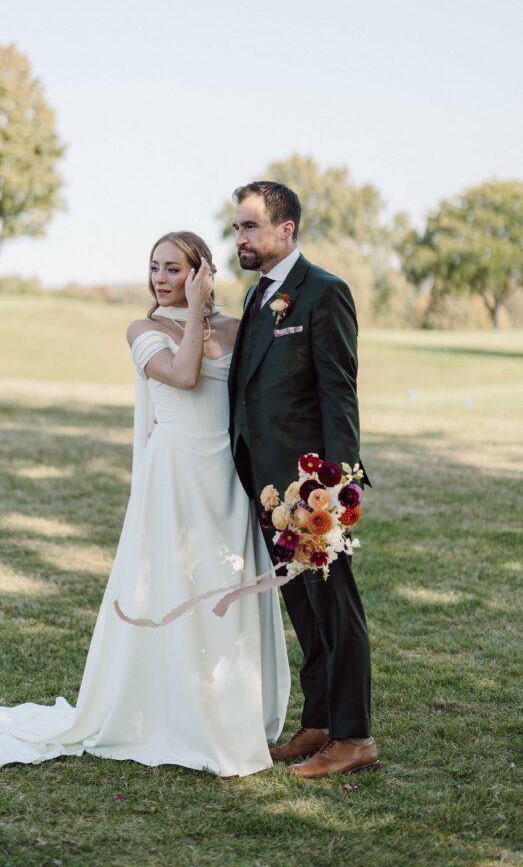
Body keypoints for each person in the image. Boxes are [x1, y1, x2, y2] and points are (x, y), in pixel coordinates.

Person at [0, 230, 289, 776]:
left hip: (227, 471)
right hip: (174, 472)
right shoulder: (142, 329)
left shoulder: (236, 329)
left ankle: (225, 706)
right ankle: (176, 713)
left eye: (174, 269)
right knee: (176, 582)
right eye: (155, 268)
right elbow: (183, 374)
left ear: (201, 271)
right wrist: (194, 312)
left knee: (223, 581)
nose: (161, 279)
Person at [228, 182, 380, 778]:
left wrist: (336, 488)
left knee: (337, 608)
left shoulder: (324, 292)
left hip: (311, 491)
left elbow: (340, 394)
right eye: (237, 227)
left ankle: (355, 737)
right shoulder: (256, 295)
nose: (239, 237)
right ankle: (318, 722)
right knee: (304, 609)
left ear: (285, 228)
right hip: (267, 486)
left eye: (249, 227)